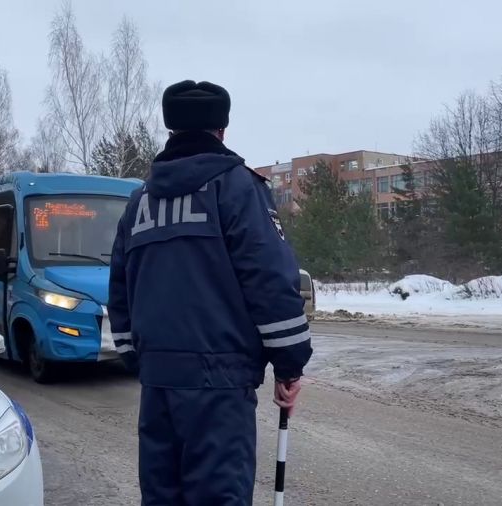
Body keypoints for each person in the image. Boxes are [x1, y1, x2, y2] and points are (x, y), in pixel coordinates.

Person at [108, 80, 313, 505]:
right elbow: (271, 280)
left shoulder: (138, 203)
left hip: (159, 383)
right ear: (222, 130)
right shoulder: (236, 188)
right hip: (219, 386)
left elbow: (121, 287)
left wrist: (137, 357)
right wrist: (289, 366)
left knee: (162, 496)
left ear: (172, 130)